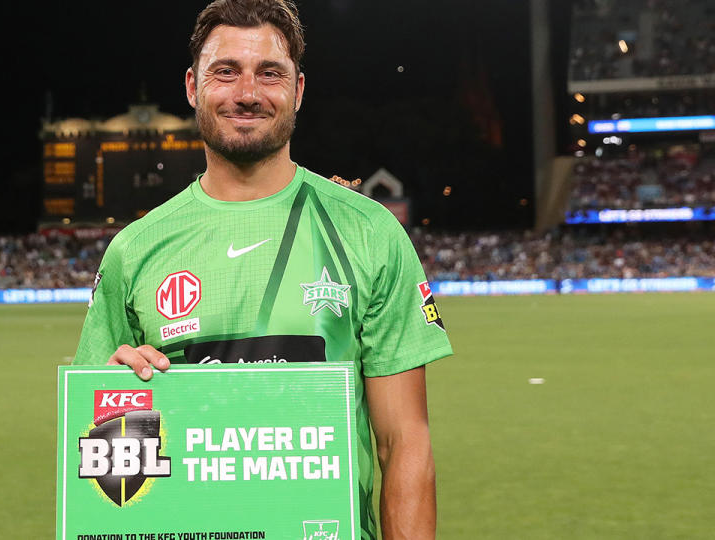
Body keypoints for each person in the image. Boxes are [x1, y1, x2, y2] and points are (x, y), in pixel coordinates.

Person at [73, 1, 452, 538]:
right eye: (225, 72)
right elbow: (100, 457)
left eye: (269, 74)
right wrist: (115, 405)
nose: (247, 93)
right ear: (192, 87)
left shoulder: (369, 231)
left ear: (297, 90)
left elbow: (404, 443)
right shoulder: (135, 249)